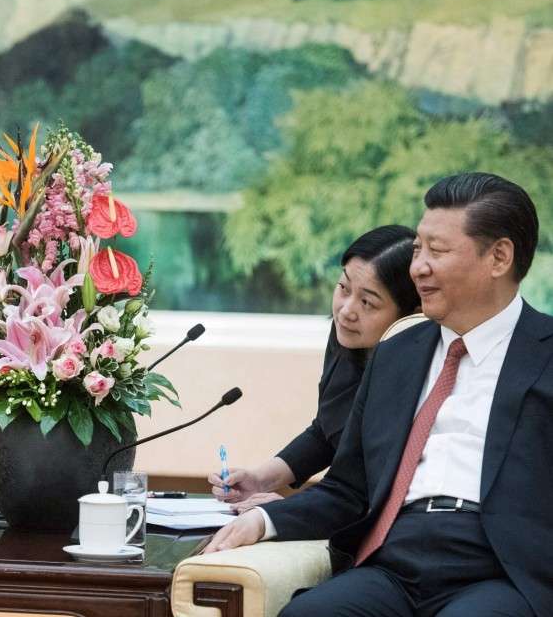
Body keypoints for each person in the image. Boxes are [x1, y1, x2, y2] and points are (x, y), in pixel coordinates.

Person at [204, 172, 551, 617]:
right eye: (417, 250)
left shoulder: (546, 352)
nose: (419, 267)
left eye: (437, 251)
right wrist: (265, 519)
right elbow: (348, 489)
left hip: (501, 571)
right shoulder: (396, 354)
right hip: (394, 562)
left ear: (499, 257)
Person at [210, 225, 421, 512]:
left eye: (367, 302)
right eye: (343, 288)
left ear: (410, 313)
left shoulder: (414, 374)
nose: (346, 310)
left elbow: (364, 487)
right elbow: (326, 431)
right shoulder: (346, 335)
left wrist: (290, 510)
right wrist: (260, 480)